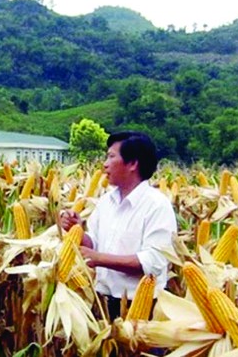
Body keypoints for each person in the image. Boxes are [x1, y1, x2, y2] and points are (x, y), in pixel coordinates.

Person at [59, 131, 176, 320]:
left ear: (132, 164)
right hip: (103, 304)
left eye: (111, 156)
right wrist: (77, 230)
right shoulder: (106, 201)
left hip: (142, 308)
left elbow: (153, 262)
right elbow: (94, 245)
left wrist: (99, 258)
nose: (105, 164)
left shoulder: (157, 205)